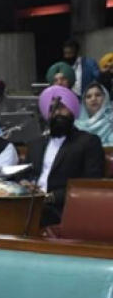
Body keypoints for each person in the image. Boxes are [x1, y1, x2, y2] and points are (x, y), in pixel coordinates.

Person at [24, 86, 105, 226]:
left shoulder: (88, 142)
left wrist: (50, 197)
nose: (57, 113)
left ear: (72, 110)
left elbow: (90, 182)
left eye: (62, 108)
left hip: (62, 207)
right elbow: (24, 173)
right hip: (29, 202)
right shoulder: (35, 143)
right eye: (52, 109)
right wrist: (23, 183)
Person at [76, 83, 113, 147]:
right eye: (89, 97)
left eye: (98, 95)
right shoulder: (77, 125)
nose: (93, 99)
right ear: (84, 102)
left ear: (105, 98)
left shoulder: (111, 121)